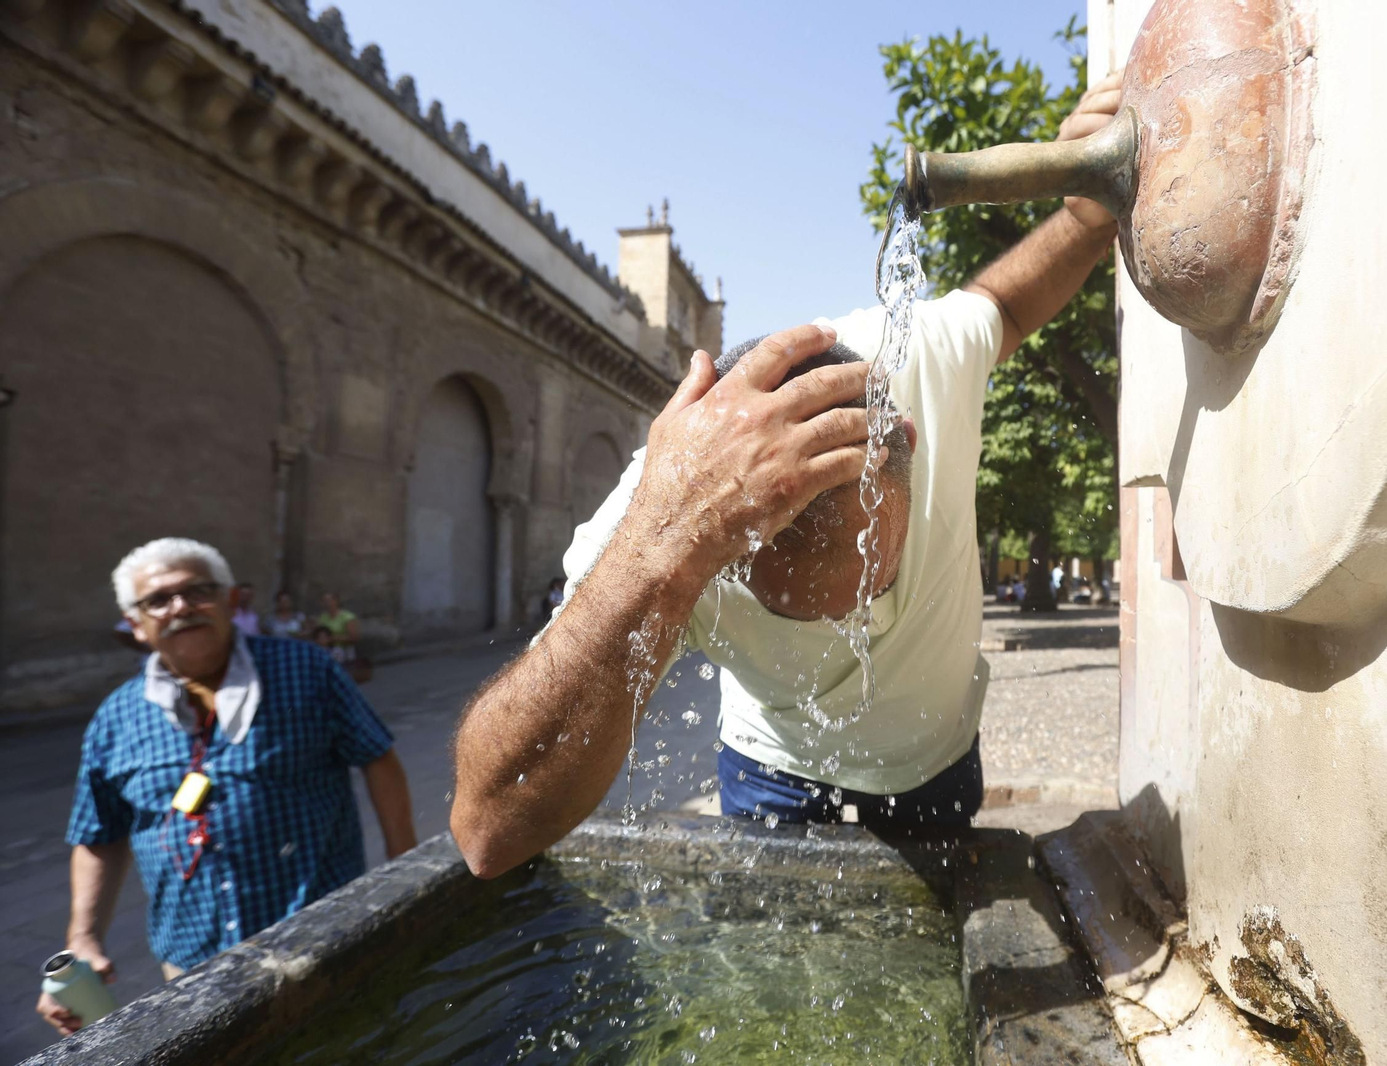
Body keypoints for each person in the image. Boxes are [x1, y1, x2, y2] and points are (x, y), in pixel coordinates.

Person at [449, 72, 1124, 878]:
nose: (848, 636)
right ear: (730, 549)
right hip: (769, 774)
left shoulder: (917, 363)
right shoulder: (664, 517)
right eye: (797, 612)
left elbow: (1007, 306)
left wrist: (1087, 214)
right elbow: (487, 830)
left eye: (867, 587)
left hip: (938, 765)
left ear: (903, 441)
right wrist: (661, 552)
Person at [37, 537, 416, 1037]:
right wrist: (82, 938)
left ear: (232, 601)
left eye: (199, 591)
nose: (181, 607)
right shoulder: (115, 717)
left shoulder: (307, 670)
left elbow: (377, 757)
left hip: (322, 937)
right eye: (158, 600)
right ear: (134, 624)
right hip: (192, 964)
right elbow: (99, 834)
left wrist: (405, 867)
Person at [314, 592, 359, 664]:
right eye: (324, 601)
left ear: (336, 601)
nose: (326, 603)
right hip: (326, 651)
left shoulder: (347, 617)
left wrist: (332, 639)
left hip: (344, 651)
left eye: (328, 600)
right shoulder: (323, 617)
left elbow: (354, 638)